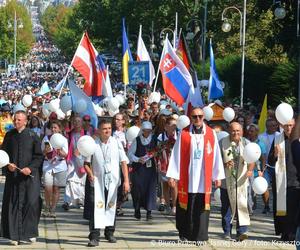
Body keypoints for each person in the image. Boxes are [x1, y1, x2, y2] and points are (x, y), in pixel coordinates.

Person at [167, 107, 225, 242]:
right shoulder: (184, 133)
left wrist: (217, 176)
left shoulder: (211, 134)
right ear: (191, 118)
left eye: (200, 116)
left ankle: (200, 236)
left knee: (202, 208)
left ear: (203, 117)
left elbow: (216, 155)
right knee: (185, 206)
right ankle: (185, 234)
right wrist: (172, 175)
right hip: (187, 177)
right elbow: (176, 155)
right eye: (194, 117)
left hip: (203, 179)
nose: (197, 119)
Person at [83, 119, 129, 247]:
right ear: (99, 130)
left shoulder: (116, 142)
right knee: (96, 208)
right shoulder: (93, 144)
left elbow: (123, 162)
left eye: (109, 128)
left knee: (111, 205)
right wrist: (90, 174)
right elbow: (86, 163)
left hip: (113, 182)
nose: (107, 131)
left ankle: (109, 232)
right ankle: (94, 236)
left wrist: (126, 181)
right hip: (97, 182)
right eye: (104, 129)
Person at [1, 110, 43, 245]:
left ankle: (29, 233)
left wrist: (30, 168)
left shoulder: (33, 136)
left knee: (31, 203)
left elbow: (39, 156)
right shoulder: (9, 135)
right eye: (15, 120)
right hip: (13, 177)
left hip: (29, 177)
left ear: (25, 121)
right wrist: (7, 166)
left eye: (19, 120)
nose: (16, 122)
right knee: (12, 204)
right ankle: (13, 235)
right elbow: (3, 155)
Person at [220, 122, 255, 241]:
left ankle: (242, 231)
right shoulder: (222, 143)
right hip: (227, 180)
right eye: (233, 131)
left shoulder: (246, 143)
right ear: (229, 131)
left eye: (238, 131)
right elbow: (217, 161)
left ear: (242, 131)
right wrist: (225, 164)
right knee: (227, 207)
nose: (235, 133)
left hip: (241, 180)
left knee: (242, 204)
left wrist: (250, 170)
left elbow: (253, 158)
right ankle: (227, 232)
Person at [268, 118, 300, 241]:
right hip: (281, 180)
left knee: (293, 209)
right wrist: (275, 154)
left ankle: (293, 233)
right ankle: (285, 233)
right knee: (282, 209)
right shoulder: (278, 139)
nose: (288, 128)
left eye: (291, 125)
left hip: (295, 180)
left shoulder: (297, 140)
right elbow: (270, 161)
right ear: (282, 126)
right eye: (286, 126)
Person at [128, 121, 157, 220]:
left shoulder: (154, 139)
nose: (147, 133)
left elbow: (157, 152)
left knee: (150, 189)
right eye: (145, 131)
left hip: (150, 169)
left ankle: (149, 212)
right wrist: (137, 159)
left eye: (149, 131)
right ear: (142, 131)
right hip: (139, 169)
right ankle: (137, 210)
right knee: (138, 190)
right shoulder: (137, 140)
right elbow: (130, 154)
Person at [41, 120, 68, 218]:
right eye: (52, 127)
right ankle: (46, 207)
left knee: (56, 189)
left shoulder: (63, 139)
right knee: (48, 187)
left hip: (60, 166)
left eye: (55, 127)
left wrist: (59, 150)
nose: (53, 129)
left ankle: (53, 209)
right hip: (48, 165)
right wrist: (45, 150)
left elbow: (66, 154)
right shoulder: (46, 138)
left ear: (60, 129)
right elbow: (42, 152)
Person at [258, 118, 280, 214]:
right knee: (264, 187)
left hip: (278, 166)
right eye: (270, 125)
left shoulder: (280, 136)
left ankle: (277, 205)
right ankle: (266, 205)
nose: (273, 127)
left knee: (277, 188)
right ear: (267, 126)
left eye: (275, 125)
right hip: (265, 166)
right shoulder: (261, 137)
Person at [157, 117, 178, 215]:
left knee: (173, 185)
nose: (174, 127)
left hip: (174, 164)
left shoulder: (179, 136)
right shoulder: (161, 137)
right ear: (166, 127)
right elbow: (157, 150)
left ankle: (174, 205)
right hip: (164, 164)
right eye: (172, 125)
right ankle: (167, 206)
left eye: (175, 125)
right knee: (165, 185)